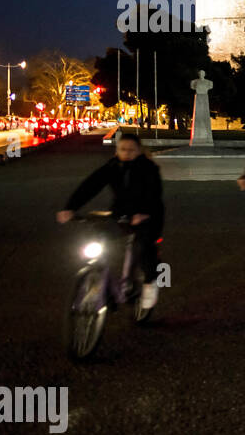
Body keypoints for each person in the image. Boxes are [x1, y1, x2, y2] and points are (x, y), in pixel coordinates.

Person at [57, 132, 165, 311]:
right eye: (123, 149)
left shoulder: (149, 168)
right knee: (99, 237)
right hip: (121, 214)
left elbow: (153, 193)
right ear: (117, 151)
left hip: (149, 214)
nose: (127, 152)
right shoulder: (113, 166)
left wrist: (143, 213)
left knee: (143, 247)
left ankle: (149, 284)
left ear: (139, 151)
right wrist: (71, 207)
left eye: (131, 150)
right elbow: (91, 185)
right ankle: (100, 281)